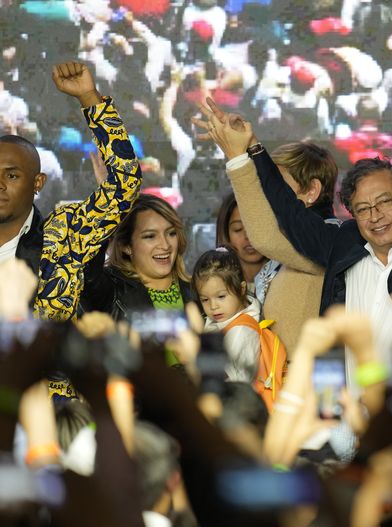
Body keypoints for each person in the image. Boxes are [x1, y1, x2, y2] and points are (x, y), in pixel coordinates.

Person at [197, 83, 392, 377]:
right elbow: (289, 210)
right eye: (362, 209)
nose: (375, 216)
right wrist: (253, 149)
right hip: (355, 411)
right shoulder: (345, 243)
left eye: (383, 202)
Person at [0, 61, 141, 321]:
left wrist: (89, 97)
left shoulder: (65, 235)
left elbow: (125, 180)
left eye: (12, 175)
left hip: (49, 361)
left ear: (38, 183)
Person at [209, 140, 339, 354]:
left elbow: (264, 238)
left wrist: (238, 158)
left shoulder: (330, 238)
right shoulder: (286, 246)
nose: (270, 194)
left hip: (303, 380)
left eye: (278, 186)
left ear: (312, 191)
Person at [81, 194, 193, 321]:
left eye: (171, 233)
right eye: (150, 236)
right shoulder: (110, 291)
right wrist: (111, 201)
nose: (165, 245)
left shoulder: (199, 289)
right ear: (126, 246)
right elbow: (86, 263)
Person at [191, 247, 269, 385]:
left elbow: (236, 385)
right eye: (205, 299)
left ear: (242, 289)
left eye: (221, 296)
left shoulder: (241, 332)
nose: (213, 306)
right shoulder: (223, 318)